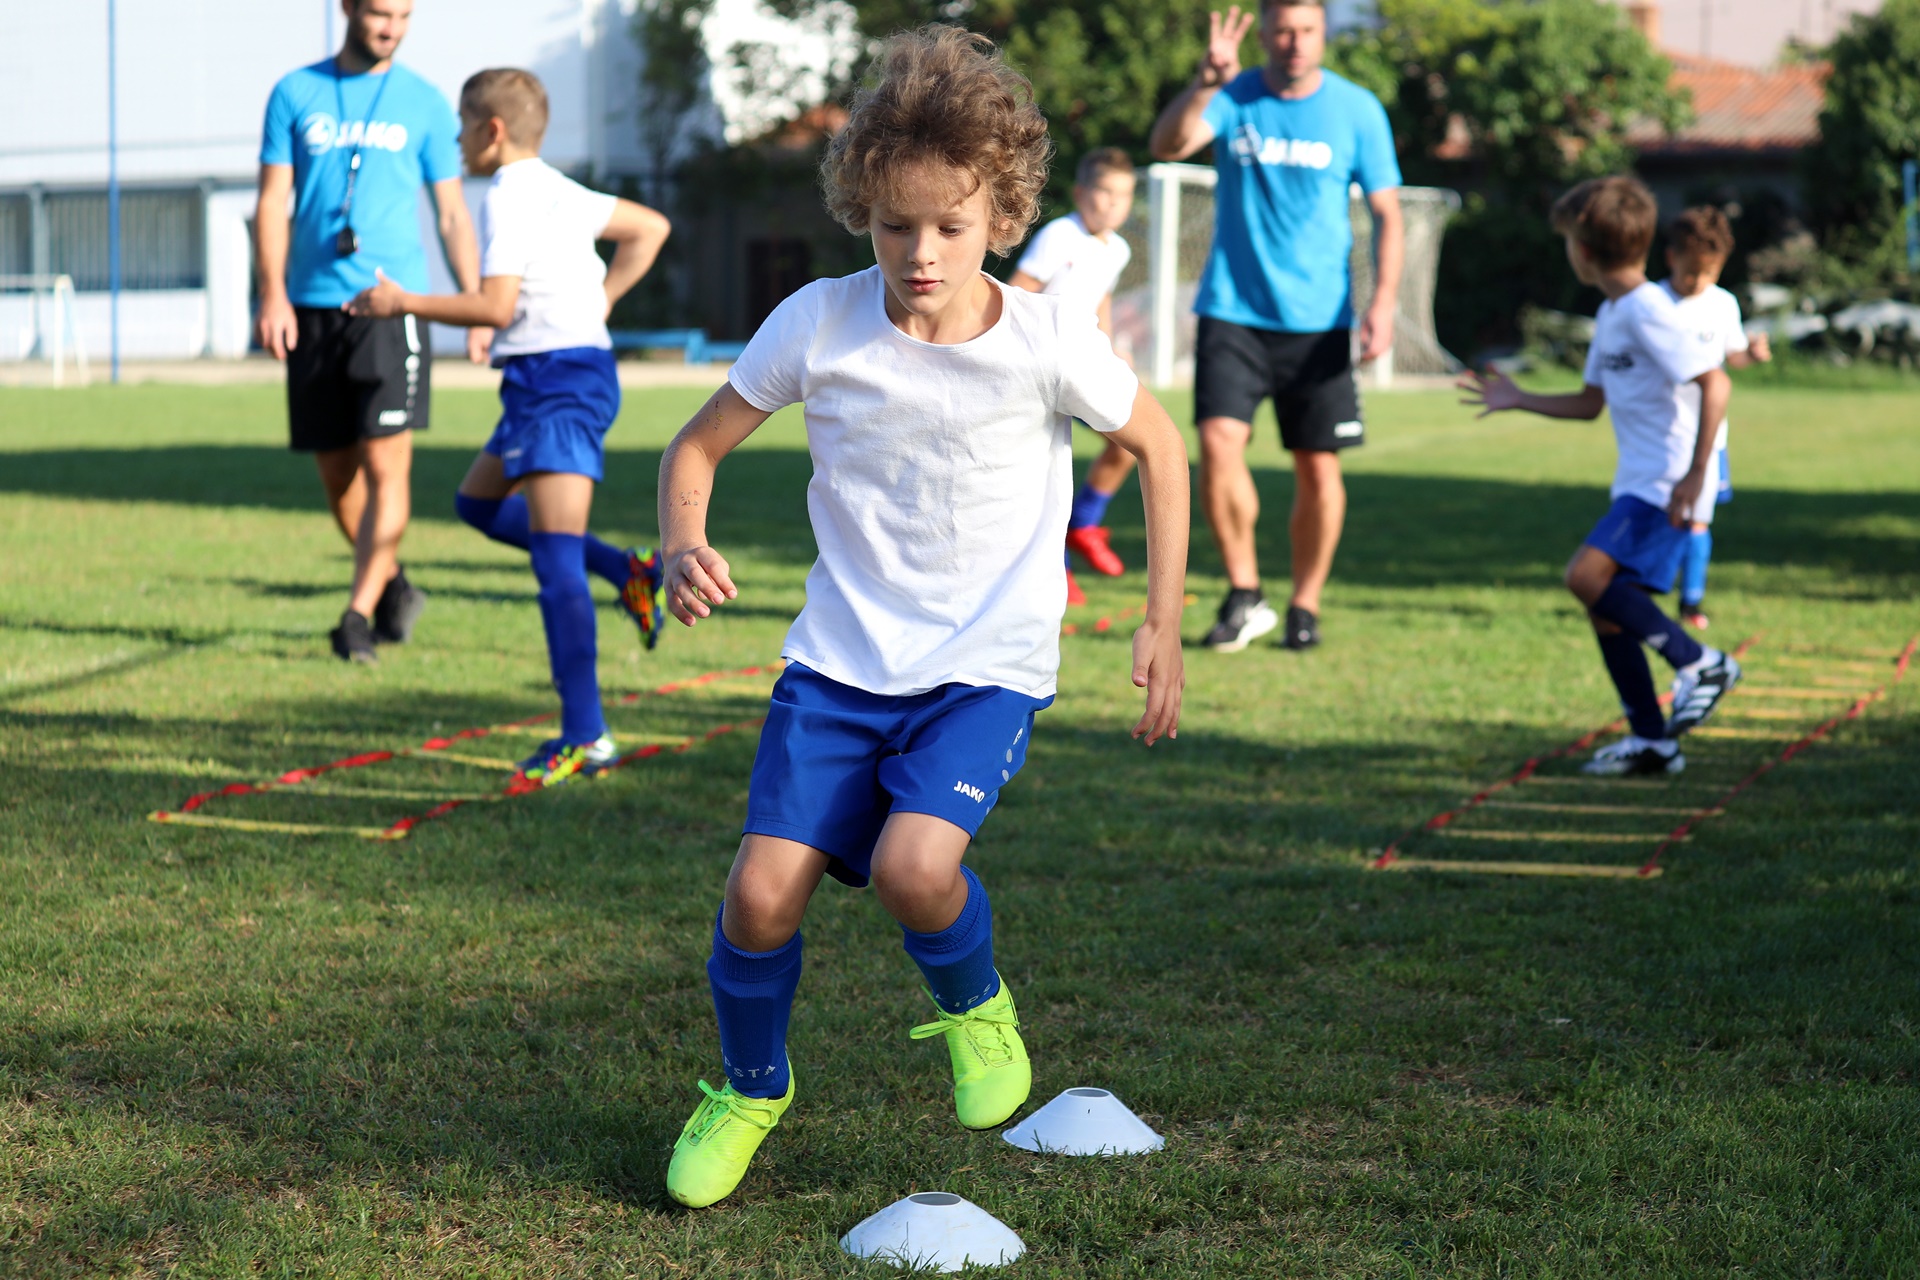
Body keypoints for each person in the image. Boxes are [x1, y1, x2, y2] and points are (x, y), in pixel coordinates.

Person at [652, 27, 1190, 1209]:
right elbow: (695, 444)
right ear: (863, 207)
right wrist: (683, 537)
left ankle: (975, 1006)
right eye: (896, 225)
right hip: (840, 665)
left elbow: (1159, 445)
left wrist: (1163, 616)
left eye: (950, 225)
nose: (921, 253)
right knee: (756, 894)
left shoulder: (1046, 339)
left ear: (1001, 211)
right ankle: (750, 1087)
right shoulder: (819, 323)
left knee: (913, 866)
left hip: (982, 669)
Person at [347, 69, 672, 786]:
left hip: (558, 381)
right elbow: (651, 229)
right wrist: (600, 300)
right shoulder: (559, 187)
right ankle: (630, 571)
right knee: (478, 504)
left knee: (554, 561)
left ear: (491, 130)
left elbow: (494, 309)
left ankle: (586, 735)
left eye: (463, 125)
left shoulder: (509, 195)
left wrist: (400, 301)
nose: (457, 140)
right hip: (542, 379)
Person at [1459, 176, 1744, 777]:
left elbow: (1715, 381)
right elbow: (1592, 402)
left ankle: (1700, 663)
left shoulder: (1646, 309)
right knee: (1606, 607)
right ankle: (1652, 742)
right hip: (1638, 482)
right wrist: (1520, 398)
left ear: (1582, 251)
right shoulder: (1615, 312)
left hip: (1666, 484)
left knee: (1584, 575)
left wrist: (1697, 474)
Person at [1149, 1, 1403, 652]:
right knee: (1218, 446)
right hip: (1233, 307)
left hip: (1319, 322)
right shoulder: (1234, 97)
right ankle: (1245, 591)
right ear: (1263, 35)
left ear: (1324, 36)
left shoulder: (1358, 110)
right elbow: (1168, 145)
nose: (1294, 43)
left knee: (1319, 471)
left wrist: (1382, 305)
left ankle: (1306, 604)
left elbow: (1388, 214)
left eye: (1307, 31)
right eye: (1283, 31)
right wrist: (1206, 83)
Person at [257, 0, 481, 663]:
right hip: (312, 305)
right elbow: (272, 199)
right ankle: (392, 583)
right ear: (348, 7)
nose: (393, 27)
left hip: (392, 306)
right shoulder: (294, 92)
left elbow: (451, 215)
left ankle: (355, 616)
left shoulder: (425, 102)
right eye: (382, 12)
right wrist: (271, 292)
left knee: (387, 463)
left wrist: (471, 304)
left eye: (405, 15)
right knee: (337, 476)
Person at [1010, 147, 1140, 606]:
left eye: (1123, 196)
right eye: (1104, 192)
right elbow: (1019, 293)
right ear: (1082, 193)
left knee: (1128, 443)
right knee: (1045, 472)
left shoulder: (1118, 248)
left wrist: (1111, 349)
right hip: (1040, 368)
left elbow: (1099, 300)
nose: (1112, 204)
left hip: (1081, 365)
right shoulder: (1059, 235)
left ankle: (1084, 523)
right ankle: (1058, 573)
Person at [1659, 206, 1772, 630]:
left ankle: (1691, 602)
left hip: (1708, 436)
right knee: (1665, 518)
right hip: (1662, 433)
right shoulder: (1653, 304)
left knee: (1699, 520)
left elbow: (1733, 356)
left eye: (1709, 274)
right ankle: (1652, 588)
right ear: (1672, 258)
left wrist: (1752, 356)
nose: (1699, 283)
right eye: (1692, 274)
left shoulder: (1722, 304)